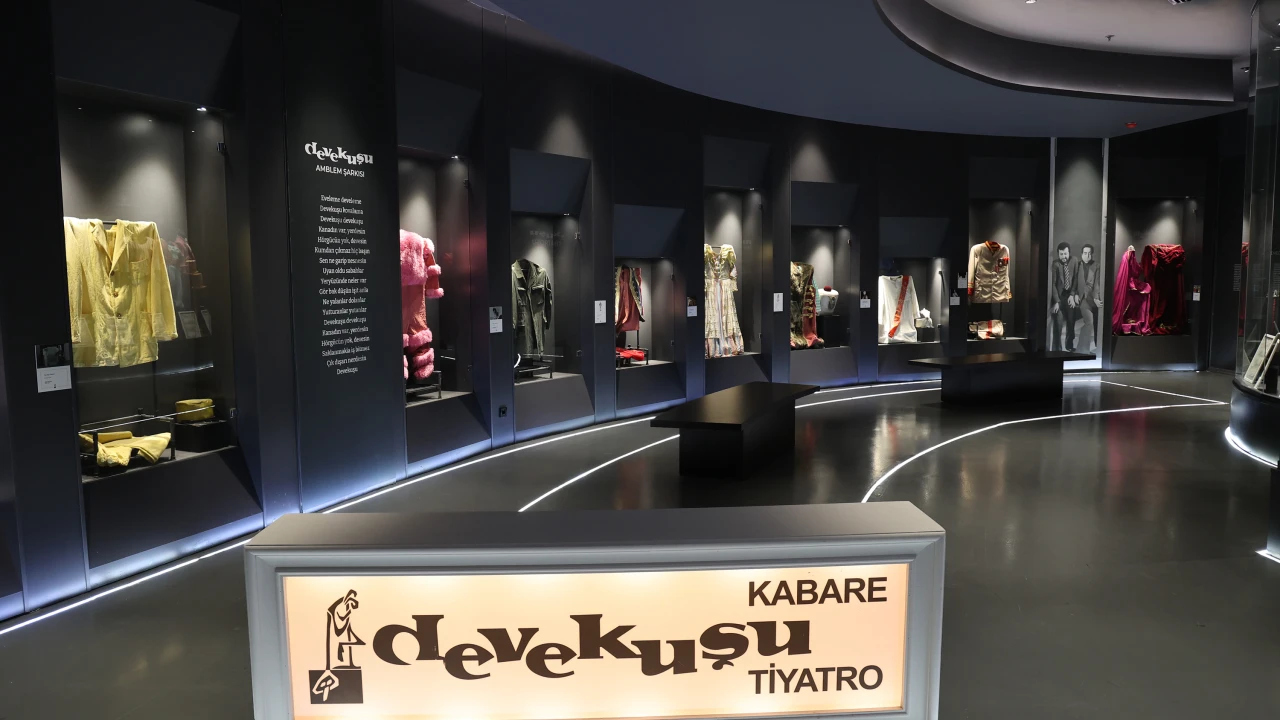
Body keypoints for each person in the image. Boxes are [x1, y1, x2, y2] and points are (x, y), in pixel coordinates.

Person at [1050, 242, 1081, 351]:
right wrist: (1057, 301)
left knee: (1071, 322)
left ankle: (1069, 346)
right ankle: (1056, 350)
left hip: (1069, 295)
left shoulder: (1075, 261)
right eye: (1061, 254)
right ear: (1058, 254)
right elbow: (1053, 284)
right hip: (1059, 296)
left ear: (1069, 253)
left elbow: (1076, 279)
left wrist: (1072, 294)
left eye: (1065, 254)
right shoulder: (1055, 264)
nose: (1064, 256)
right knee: (1058, 324)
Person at [1075, 244, 1102, 354]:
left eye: (1089, 253)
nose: (1087, 255)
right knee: (1089, 322)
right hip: (1083, 298)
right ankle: (1082, 350)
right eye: (1085, 253)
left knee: (1096, 323)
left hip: (1093, 298)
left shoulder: (1096, 265)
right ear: (1082, 254)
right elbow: (1073, 283)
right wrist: (1075, 294)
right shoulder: (1077, 265)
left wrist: (1096, 298)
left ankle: (1092, 348)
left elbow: (1096, 284)